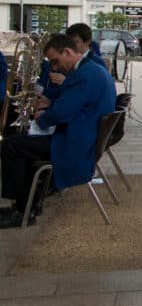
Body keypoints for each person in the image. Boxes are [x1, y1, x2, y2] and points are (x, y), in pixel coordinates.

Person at [0, 34, 115, 229]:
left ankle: (21, 211)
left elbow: (62, 113)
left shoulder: (85, 75)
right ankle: (29, 205)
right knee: (23, 143)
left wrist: (41, 118)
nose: (53, 67)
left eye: (55, 61)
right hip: (83, 137)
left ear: (68, 52)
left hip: (74, 144)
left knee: (12, 145)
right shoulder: (92, 70)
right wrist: (51, 105)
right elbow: (75, 105)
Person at [39, 23, 108, 100]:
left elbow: (91, 93)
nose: (70, 46)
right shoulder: (68, 61)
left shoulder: (96, 63)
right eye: (69, 42)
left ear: (87, 42)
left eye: (75, 42)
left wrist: (66, 82)